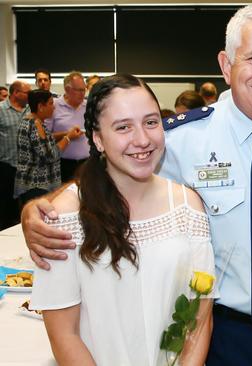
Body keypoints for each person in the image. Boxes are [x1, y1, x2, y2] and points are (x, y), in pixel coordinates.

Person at [22, 5, 252, 366]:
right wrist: (37, 209)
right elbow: (110, 177)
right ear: (226, 65)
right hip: (217, 337)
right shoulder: (179, 141)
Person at [29, 74, 216, 366]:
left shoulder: (187, 205)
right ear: (98, 138)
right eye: (123, 127)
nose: (142, 139)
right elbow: (64, 333)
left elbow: (200, 318)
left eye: (151, 122)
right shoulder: (66, 215)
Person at [14, 89, 83, 206]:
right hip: (38, 184)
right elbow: (50, 155)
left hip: (33, 184)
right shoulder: (36, 125)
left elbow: (44, 139)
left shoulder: (31, 121)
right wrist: (68, 138)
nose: (54, 108)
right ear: (41, 106)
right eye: (51, 104)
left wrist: (66, 133)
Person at [45, 71, 89, 182]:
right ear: (67, 90)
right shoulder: (54, 106)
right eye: (79, 90)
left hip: (87, 163)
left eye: (84, 89)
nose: (82, 93)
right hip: (63, 165)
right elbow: (45, 137)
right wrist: (67, 135)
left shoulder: (88, 106)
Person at [0, 81, 30, 230]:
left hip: (27, 168)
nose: (29, 96)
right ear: (16, 93)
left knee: (25, 207)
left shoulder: (29, 110)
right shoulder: (1, 110)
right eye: (26, 93)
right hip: (6, 167)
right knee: (6, 207)